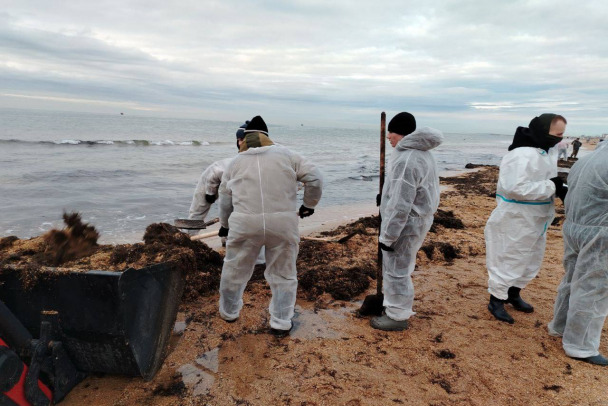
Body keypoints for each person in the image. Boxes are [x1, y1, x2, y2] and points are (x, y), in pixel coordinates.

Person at [217, 115, 323, 336]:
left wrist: (225, 225)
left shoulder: (235, 162)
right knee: (284, 273)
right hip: (282, 223)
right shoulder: (288, 155)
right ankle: (281, 322)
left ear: (244, 139)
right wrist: (308, 205)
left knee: (234, 270)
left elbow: (225, 198)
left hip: (245, 223)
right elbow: (315, 177)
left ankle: (229, 313)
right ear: (267, 136)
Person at [485, 114, 568, 324]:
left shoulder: (546, 151)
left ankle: (514, 293)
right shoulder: (520, 155)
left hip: (537, 217)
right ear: (542, 131)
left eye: (562, 135)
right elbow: (515, 188)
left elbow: (542, 179)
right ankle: (496, 299)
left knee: (531, 258)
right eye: (557, 134)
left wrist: (559, 188)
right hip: (517, 217)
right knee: (510, 256)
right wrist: (552, 186)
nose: (559, 139)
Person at [371, 112, 444, 331]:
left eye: (390, 133)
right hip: (419, 219)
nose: (388, 138)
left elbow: (401, 204)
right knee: (401, 266)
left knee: (396, 269)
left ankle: (397, 316)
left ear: (399, 133)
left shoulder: (407, 159)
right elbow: (414, 190)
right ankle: (393, 306)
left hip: (406, 224)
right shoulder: (422, 155)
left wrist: (388, 236)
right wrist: (385, 194)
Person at [547, 140, 608, 365]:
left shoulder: (587, 159)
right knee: (594, 287)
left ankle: (560, 326)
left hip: (575, 227)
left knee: (571, 279)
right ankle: (580, 346)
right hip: (601, 232)